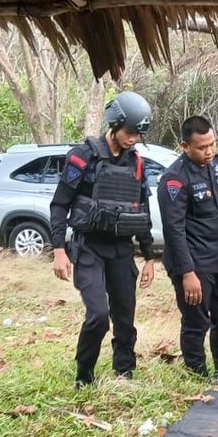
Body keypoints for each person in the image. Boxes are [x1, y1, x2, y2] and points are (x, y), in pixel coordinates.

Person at [49, 91, 157, 387]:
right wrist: (59, 249)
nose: (133, 138)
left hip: (121, 248)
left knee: (125, 317)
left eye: (139, 134)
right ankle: (84, 374)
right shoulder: (82, 156)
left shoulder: (136, 164)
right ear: (114, 124)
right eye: (129, 132)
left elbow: (142, 211)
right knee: (98, 315)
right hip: (89, 248)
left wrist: (149, 257)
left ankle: (124, 371)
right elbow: (59, 204)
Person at [158, 116, 218, 378]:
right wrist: (188, 274)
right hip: (193, 264)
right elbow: (173, 231)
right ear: (184, 146)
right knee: (197, 322)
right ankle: (196, 374)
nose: (209, 151)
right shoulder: (174, 180)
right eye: (201, 147)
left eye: (212, 144)